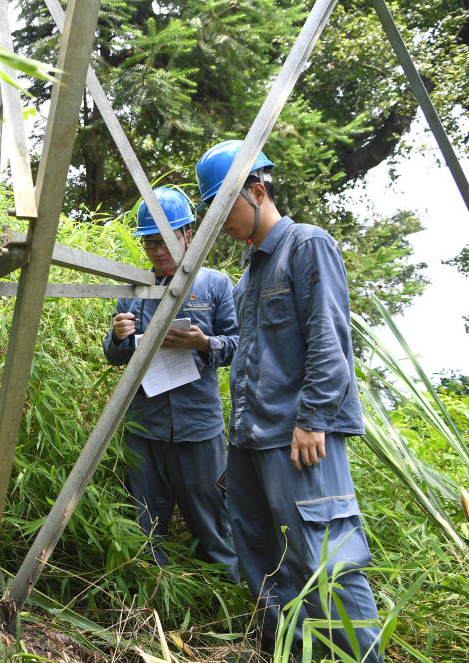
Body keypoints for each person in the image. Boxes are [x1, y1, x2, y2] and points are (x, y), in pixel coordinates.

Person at [195, 140, 383, 660]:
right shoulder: (248, 276)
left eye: (223, 207)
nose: (218, 222)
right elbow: (249, 356)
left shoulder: (307, 245)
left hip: (300, 438)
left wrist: (314, 419)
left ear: (257, 191)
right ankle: (290, 654)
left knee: (327, 563)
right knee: (264, 561)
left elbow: (329, 339)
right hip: (250, 442)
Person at [104, 186, 239, 582]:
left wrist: (204, 343)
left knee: (212, 524)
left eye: (165, 240)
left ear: (188, 235)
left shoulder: (215, 285)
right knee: (147, 529)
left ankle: (228, 595)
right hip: (145, 430)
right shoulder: (134, 290)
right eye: (150, 243)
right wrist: (118, 337)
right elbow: (115, 356)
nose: (157, 251)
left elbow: (240, 345)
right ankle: (153, 600)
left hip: (199, 430)